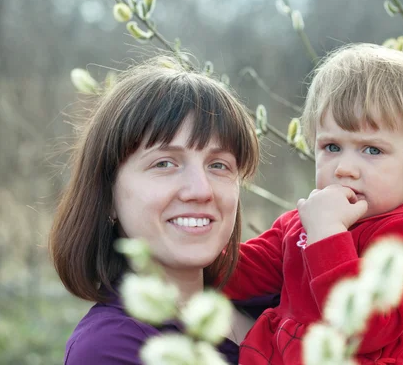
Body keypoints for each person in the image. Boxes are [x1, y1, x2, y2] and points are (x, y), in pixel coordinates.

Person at [222, 43, 403, 364]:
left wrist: (327, 233)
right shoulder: (300, 223)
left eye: (371, 150)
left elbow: (363, 328)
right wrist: (183, 251)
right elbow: (240, 273)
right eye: (331, 146)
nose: (344, 168)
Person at [48, 55, 261, 365]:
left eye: (218, 165)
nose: (201, 190)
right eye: (165, 163)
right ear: (107, 195)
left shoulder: (277, 298)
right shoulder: (110, 350)